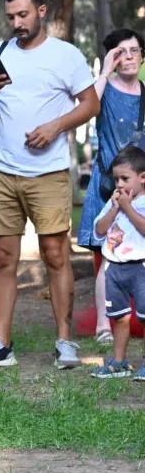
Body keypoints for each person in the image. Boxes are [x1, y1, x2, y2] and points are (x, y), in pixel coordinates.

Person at [0, 0, 100, 370]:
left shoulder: (66, 56)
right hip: (1, 170)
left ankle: (65, 341)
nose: (16, 23)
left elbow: (90, 104)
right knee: (3, 257)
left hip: (48, 173)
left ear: (42, 11)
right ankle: (1, 345)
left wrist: (55, 126)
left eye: (23, 15)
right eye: (10, 17)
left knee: (56, 255)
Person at [77, 28, 145, 347]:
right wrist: (103, 71)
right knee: (107, 258)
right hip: (108, 187)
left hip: (142, 190)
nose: (129, 57)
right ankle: (104, 325)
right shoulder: (104, 88)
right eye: (121, 52)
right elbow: (87, 106)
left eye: (134, 50)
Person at [91, 146, 145, 379]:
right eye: (116, 179)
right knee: (120, 317)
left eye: (125, 178)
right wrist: (115, 209)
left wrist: (127, 208)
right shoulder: (113, 203)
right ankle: (119, 362)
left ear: (143, 178)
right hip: (115, 267)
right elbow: (100, 230)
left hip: (141, 267)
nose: (119, 184)